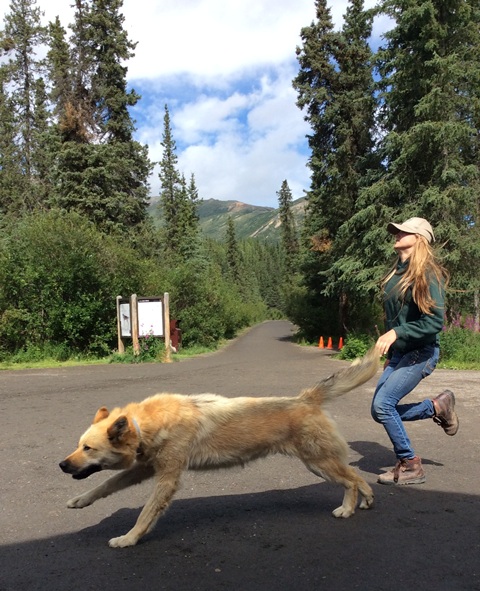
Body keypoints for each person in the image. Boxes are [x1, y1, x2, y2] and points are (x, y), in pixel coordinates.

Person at [372, 217, 458, 485]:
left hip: (421, 352)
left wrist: (397, 333)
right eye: (397, 231)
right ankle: (437, 406)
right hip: (401, 354)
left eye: (404, 231)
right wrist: (391, 354)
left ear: (420, 238)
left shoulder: (428, 273)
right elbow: (395, 318)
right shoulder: (397, 272)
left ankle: (410, 464)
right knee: (379, 410)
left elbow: (433, 323)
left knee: (383, 406)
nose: (397, 234)